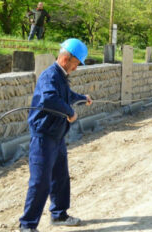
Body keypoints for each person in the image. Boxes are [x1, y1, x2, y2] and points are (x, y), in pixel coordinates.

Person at [19, 38, 92, 232]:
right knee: (40, 181)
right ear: (66, 59)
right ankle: (27, 226)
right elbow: (49, 99)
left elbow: (65, 95)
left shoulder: (61, 76)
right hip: (44, 135)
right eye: (76, 64)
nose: (76, 68)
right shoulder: (49, 76)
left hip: (57, 135)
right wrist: (70, 112)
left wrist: (82, 98)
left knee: (60, 177)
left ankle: (59, 215)